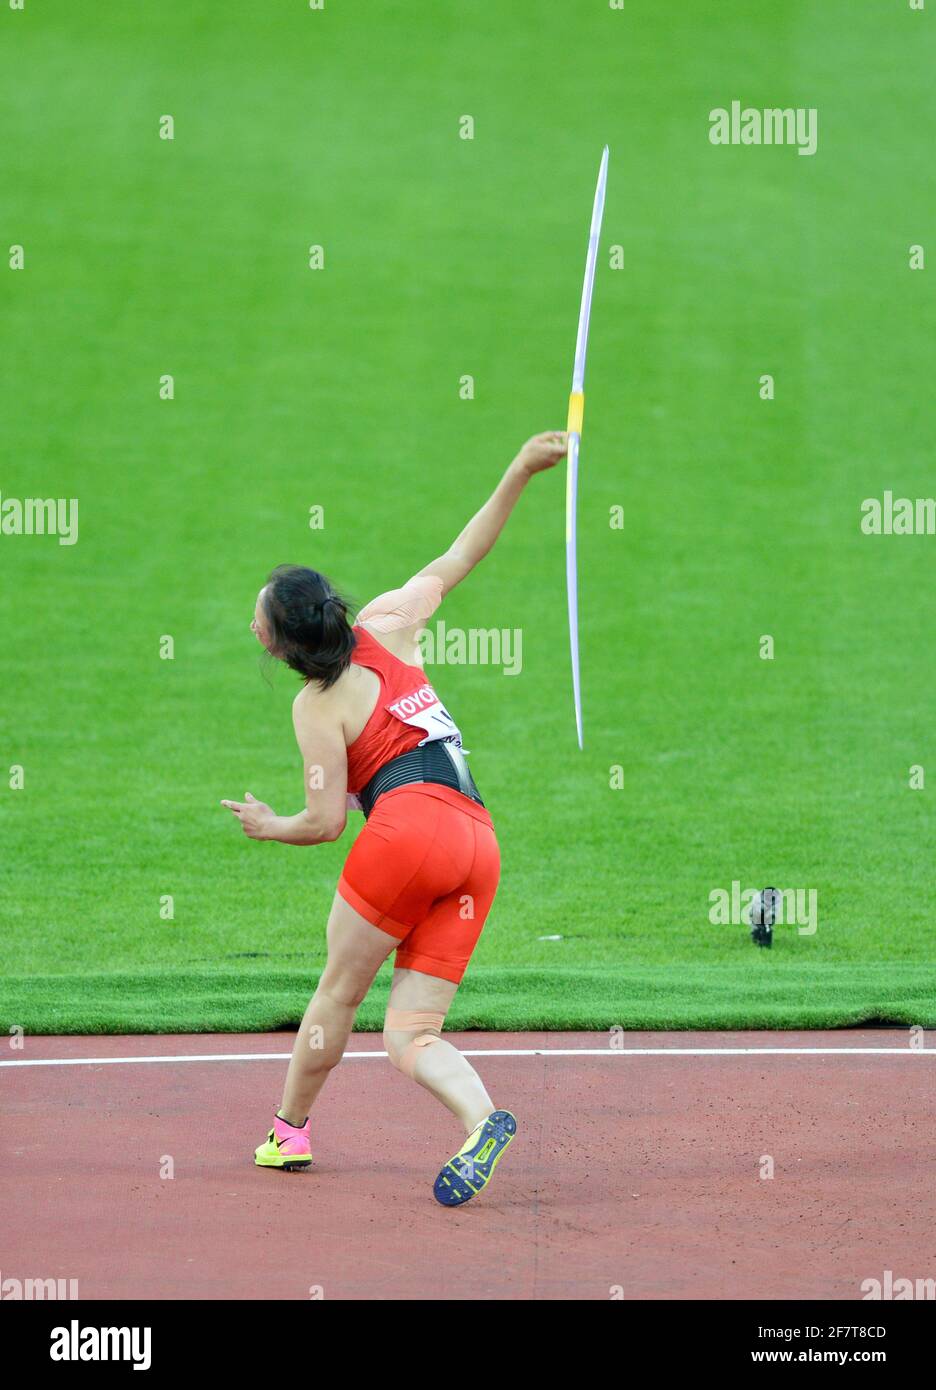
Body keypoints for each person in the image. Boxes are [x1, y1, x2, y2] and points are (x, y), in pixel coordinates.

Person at [221, 430, 568, 1205]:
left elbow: (324, 821)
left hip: (407, 834)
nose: (253, 627)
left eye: (259, 622)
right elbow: (461, 555)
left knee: (338, 996)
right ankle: (481, 1119)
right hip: (478, 842)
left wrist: (268, 822)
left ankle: (289, 1132)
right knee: (410, 1034)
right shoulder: (389, 620)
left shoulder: (314, 707)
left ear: (284, 646)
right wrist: (517, 468)